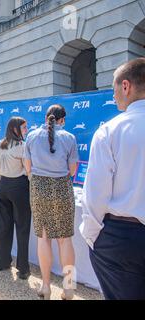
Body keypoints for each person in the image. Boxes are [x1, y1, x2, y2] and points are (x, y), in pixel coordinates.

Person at [80, 58, 145, 300]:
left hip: (121, 238)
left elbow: (95, 194)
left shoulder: (110, 131)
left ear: (126, 86)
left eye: (114, 87)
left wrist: (93, 237)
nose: (113, 94)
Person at [24, 104, 78, 300]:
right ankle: (69, 288)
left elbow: (27, 167)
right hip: (63, 186)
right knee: (65, 239)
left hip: (38, 186)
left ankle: (46, 287)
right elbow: (72, 171)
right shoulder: (70, 137)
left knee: (43, 237)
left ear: (46, 117)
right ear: (62, 120)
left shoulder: (31, 136)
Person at [0, 117, 32, 280]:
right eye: (24, 128)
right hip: (19, 186)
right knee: (22, 227)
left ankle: (1, 262)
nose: (26, 130)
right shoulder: (21, 147)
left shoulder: (0, 144)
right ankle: (23, 268)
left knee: (4, 225)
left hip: (3, 186)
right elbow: (28, 170)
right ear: (15, 129)